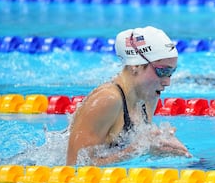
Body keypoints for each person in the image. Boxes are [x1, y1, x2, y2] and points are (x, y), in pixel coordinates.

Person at [66, 26, 191, 166]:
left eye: (171, 73)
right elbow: (75, 166)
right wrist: (138, 150)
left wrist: (161, 144)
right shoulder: (107, 100)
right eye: (162, 71)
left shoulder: (148, 96)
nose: (167, 81)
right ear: (136, 66)